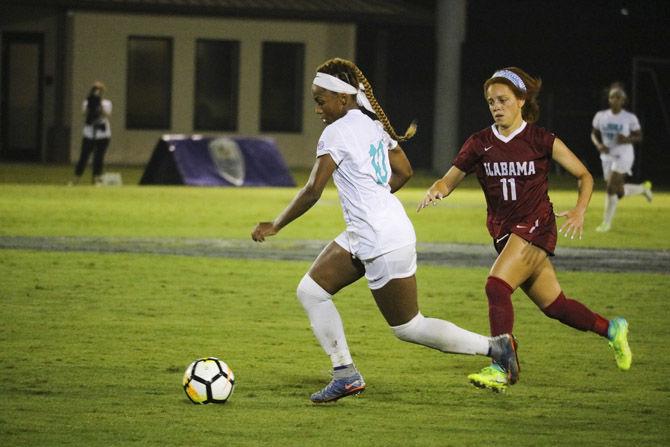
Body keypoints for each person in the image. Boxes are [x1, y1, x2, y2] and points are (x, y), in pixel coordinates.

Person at [251, 58, 520, 403]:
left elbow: (313, 190)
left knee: (409, 326)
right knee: (311, 291)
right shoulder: (369, 123)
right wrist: (376, 202)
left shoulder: (336, 132)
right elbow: (405, 171)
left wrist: (275, 224)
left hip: (381, 239)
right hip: (375, 231)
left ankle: (496, 347)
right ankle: (345, 374)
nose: (317, 108)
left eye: (321, 100)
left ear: (343, 99)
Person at [418, 67, 632, 392]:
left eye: (503, 99)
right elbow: (449, 179)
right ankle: (612, 329)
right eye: (491, 101)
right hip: (506, 233)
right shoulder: (480, 143)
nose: (496, 106)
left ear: (521, 100)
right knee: (556, 306)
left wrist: (580, 210)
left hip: (536, 226)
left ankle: (502, 365)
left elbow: (584, 175)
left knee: (496, 286)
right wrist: (437, 189)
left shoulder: (540, 139)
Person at [591, 83, 651, 232]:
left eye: (618, 97)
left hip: (624, 154)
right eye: (612, 97)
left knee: (610, 187)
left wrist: (627, 138)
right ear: (609, 99)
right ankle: (642, 189)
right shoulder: (601, 116)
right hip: (607, 156)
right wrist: (598, 144)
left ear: (623, 100)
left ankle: (606, 223)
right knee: (619, 192)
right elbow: (593, 133)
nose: (615, 99)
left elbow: (639, 136)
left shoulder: (629, 117)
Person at [70, 81, 112, 185]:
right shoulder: (86, 102)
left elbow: (106, 114)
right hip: (89, 134)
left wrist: (100, 106)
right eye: (95, 90)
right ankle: (76, 179)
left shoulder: (107, 103)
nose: (97, 93)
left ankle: (97, 179)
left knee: (99, 158)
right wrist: (91, 104)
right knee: (84, 156)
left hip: (103, 135)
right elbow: (85, 114)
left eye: (99, 91)